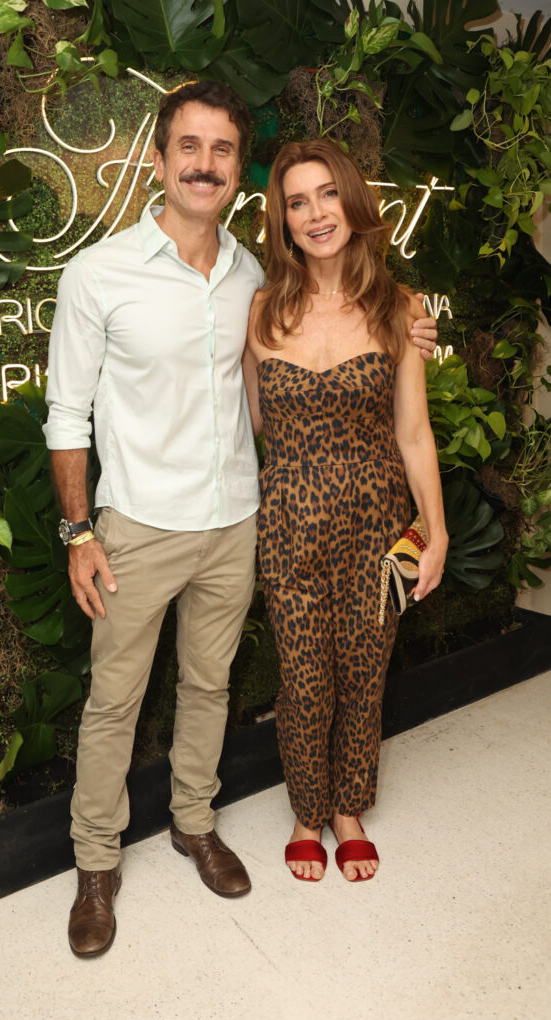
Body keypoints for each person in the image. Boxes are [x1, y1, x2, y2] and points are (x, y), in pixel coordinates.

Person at [43, 83, 439, 957]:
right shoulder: (98, 273)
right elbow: (66, 414)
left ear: (236, 170)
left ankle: (194, 824)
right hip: (137, 524)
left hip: (236, 522)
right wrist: (78, 532)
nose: (204, 164)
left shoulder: (257, 281)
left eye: (221, 150)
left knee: (209, 688)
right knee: (114, 702)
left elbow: (290, 390)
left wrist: (411, 332)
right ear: (157, 159)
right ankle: (96, 864)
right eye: (188, 146)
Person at [242, 139, 448, 884]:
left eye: (328, 193)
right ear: (283, 221)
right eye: (297, 202)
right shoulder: (260, 311)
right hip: (288, 524)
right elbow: (252, 426)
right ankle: (307, 809)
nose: (316, 213)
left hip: (379, 523)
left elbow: (413, 433)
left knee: (366, 671)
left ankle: (348, 809)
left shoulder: (399, 309)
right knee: (303, 680)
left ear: (353, 202)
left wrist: (435, 531)